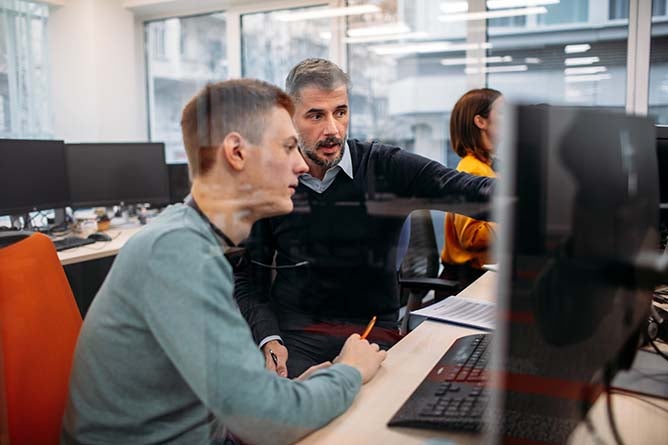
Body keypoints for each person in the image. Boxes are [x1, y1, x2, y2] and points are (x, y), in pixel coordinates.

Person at [61, 79, 387, 445]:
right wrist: (349, 372)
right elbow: (265, 424)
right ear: (236, 153)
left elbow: (240, 399)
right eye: (288, 147)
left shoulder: (191, 239)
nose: (300, 164)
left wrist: (293, 394)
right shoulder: (177, 253)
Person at [234, 58, 496, 379]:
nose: (332, 129)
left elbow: (478, 193)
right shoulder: (270, 179)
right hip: (297, 334)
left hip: (372, 332)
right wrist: (268, 338)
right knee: (292, 417)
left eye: (340, 112)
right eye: (316, 115)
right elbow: (248, 278)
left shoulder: (386, 166)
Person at [440, 88, 502, 291]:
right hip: (465, 281)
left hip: (478, 273)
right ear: (481, 122)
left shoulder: (488, 167)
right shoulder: (472, 168)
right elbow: (471, 237)